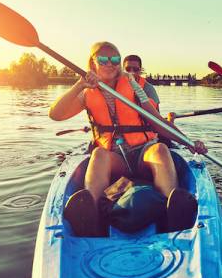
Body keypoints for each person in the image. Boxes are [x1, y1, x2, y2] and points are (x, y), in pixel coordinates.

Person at [49, 41, 207, 237]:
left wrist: (189, 143)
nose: (110, 63)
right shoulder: (85, 92)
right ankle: (92, 212)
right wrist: (79, 84)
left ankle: (171, 208)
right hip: (114, 158)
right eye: (103, 59)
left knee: (160, 150)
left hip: (142, 153)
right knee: (98, 154)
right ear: (92, 63)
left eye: (115, 58)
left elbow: (158, 122)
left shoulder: (134, 85)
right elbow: (55, 114)